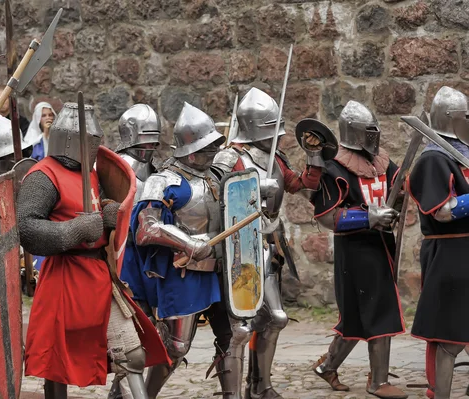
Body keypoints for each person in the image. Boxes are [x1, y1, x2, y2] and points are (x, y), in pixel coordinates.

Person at [17, 102, 168, 399]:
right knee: (54, 362)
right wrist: (73, 230)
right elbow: (26, 229)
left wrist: (111, 210)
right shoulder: (42, 175)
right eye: (88, 141)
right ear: (70, 140)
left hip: (100, 276)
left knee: (133, 354)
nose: (93, 147)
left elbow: (99, 202)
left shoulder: (92, 172)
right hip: (64, 277)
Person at [213, 87, 327, 399]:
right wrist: (253, 189)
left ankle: (260, 385)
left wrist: (315, 154)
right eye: (268, 129)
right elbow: (216, 196)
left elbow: (300, 185)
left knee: (274, 318)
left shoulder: (275, 156)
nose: (275, 136)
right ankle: (236, 391)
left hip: (267, 244)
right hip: (239, 248)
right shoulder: (229, 157)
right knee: (242, 326)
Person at [129, 103, 246, 398]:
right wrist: (188, 243)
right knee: (176, 346)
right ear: (190, 150)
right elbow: (146, 229)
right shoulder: (162, 181)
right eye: (207, 148)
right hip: (184, 274)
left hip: (221, 270)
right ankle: (144, 394)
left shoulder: (216, 177)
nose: (213, 154)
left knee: (235, 335)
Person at [311, 100, 407, 399]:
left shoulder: (381, 161)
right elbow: (327, 216)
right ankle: (378, 382)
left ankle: (327, 366)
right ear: (354, 132)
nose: (373, 136)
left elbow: (396, 190)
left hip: (381, 244)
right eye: (367, 131)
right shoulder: (334, 168)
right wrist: (368, 216)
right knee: (382, 310)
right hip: (355, 249)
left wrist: (399, 199)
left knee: (355, 317)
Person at [407, 86, 469, 399]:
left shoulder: (463, 153)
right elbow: (442, 211)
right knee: (450, 334)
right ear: (452, 118)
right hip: (450, 252)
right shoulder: (433, 158)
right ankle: (440, 394)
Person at [109, 103, 162, 399]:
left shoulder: (154, 170)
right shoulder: (114, 168)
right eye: (145, 141)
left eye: (154, 142)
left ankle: (119, 394)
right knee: (132, 341)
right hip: (123, 260)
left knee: (146, 331)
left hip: (145, 259)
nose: (149, 148)